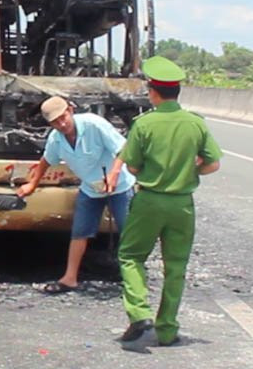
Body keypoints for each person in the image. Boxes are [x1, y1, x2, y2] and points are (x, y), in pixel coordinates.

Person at [115, 56, 222, 346]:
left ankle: (140, 315)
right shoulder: (195, 124)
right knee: (175, 267)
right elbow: (213, 165)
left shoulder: (145, 124)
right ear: (177, 92)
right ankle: (166, 329)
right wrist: (189, 169)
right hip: (182, 204)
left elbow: (132, 167)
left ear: (152, 92)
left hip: (149, 201)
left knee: (131, 256)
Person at [17, 96, 135, 293]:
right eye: (55, 122)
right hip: (90, 187)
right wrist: (32, 184)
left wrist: (114, 176)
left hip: (119, 185)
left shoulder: (94, 124)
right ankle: (70, 278)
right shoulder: (56, 139)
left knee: (129, 232)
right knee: (80, 232)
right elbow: (46, 161)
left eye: (63, 117)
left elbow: (123, 150)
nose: (62, 124)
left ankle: (133, 278)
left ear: (70, 110)